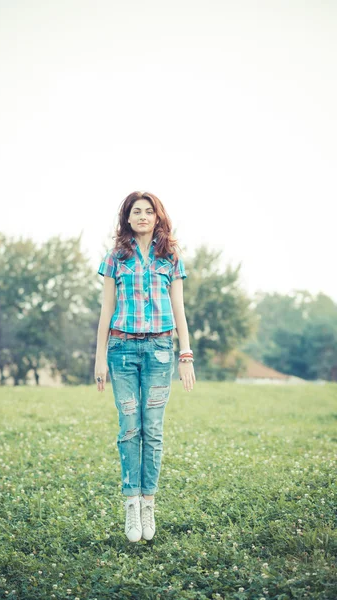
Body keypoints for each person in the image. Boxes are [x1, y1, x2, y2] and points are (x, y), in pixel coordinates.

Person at [95, 191, 195, 543]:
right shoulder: (115, 258)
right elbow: (106, 310)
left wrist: (186, 354)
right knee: (128, 428)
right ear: (127, 218)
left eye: (148, 211)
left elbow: (178, 307)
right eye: (136, 211)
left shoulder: (170, 257)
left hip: (160, 350)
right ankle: (131, 505)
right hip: (121, 350)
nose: (142, 216)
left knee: (152, 430)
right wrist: (99, 358)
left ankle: (149, 503)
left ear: (157, 217)